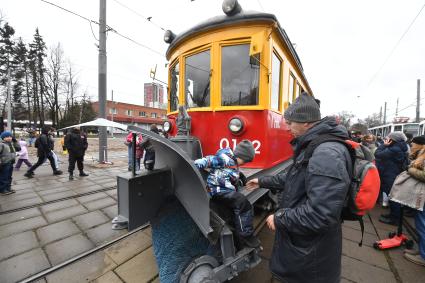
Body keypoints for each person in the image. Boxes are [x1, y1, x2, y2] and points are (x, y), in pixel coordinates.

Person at [246, 93, 352, 283]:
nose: (286, 128)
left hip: (310, 262)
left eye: (290, 123)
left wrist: (280, 217)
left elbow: (321, 214)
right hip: (306, 252)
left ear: (306, 123)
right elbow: (295, 178)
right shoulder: (315, 146)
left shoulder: (325, 153)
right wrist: (262, 181)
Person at [194, 139, 260, 248]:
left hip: (225, 189)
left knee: (239, 204)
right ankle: (246, 235)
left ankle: (240, 229)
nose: (244, 163)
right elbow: (206, 161)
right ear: (240, 156)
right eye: (245, 161)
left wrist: (241, 176)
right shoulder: (223, 158)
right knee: (242, 203)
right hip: (218, 190)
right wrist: (193, 165)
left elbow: (231, 170)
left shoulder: (233, 161)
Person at [375, 132, 409, 225]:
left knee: (392, 196)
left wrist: (383, 145)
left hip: (390, 174)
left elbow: (377, 154)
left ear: (393, 139)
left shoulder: (394, 149)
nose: (386, 139)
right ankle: (393, 215)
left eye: (388, 138)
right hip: (391, 173)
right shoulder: (399, 147)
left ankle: (395, 219)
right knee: (392, 196)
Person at [402, 135, 425, 266]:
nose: (411, 145)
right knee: (420, 223)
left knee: (423, 225)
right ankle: (422, 251)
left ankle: (424, 256)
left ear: (421, 145)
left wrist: (410, 170)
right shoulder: (420, 155)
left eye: (413, 144)